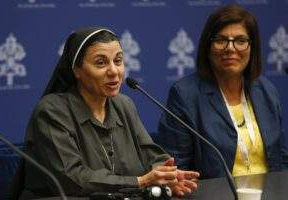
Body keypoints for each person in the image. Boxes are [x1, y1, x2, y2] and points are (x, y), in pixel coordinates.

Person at [18, 27, 199, 199]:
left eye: (118, 61)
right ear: (77, 70)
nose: (114, 71)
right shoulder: (52, 111)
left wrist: (166, 175)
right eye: (101, 62)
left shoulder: (124, 104)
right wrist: (141, 182)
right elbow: (71, 179)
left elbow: (152, 155)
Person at [158, 4, 288, 179]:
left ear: (252, 47)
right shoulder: (185, 96)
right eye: (221, 40)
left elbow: (281, 158)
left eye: (240, 41)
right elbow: (176, 172)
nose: (230, 48)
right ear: (208, 46)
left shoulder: (266, 91)